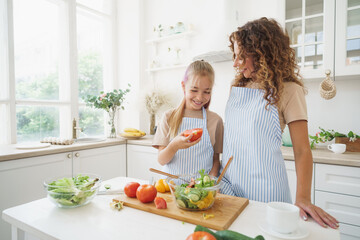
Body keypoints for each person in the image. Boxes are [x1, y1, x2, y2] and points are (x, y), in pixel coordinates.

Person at [221, 17, 339, 229]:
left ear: (261, 55)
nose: (236, 63)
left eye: (242, 56)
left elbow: (302, 150)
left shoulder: (289, 91)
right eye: (235, 56)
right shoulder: (236, 87)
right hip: (229, 187)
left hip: (266, 193)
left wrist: (303, 198)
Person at [152, 60, 223, 177]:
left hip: (200, 191)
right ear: (183, 86)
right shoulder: (169, 117)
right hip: (171, 189)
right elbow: (161, 160)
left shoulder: (216, 121)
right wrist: (174, 146)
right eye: (194, 90)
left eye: (207, 92)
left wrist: (210, 182)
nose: (199, 97)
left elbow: (216, 160)